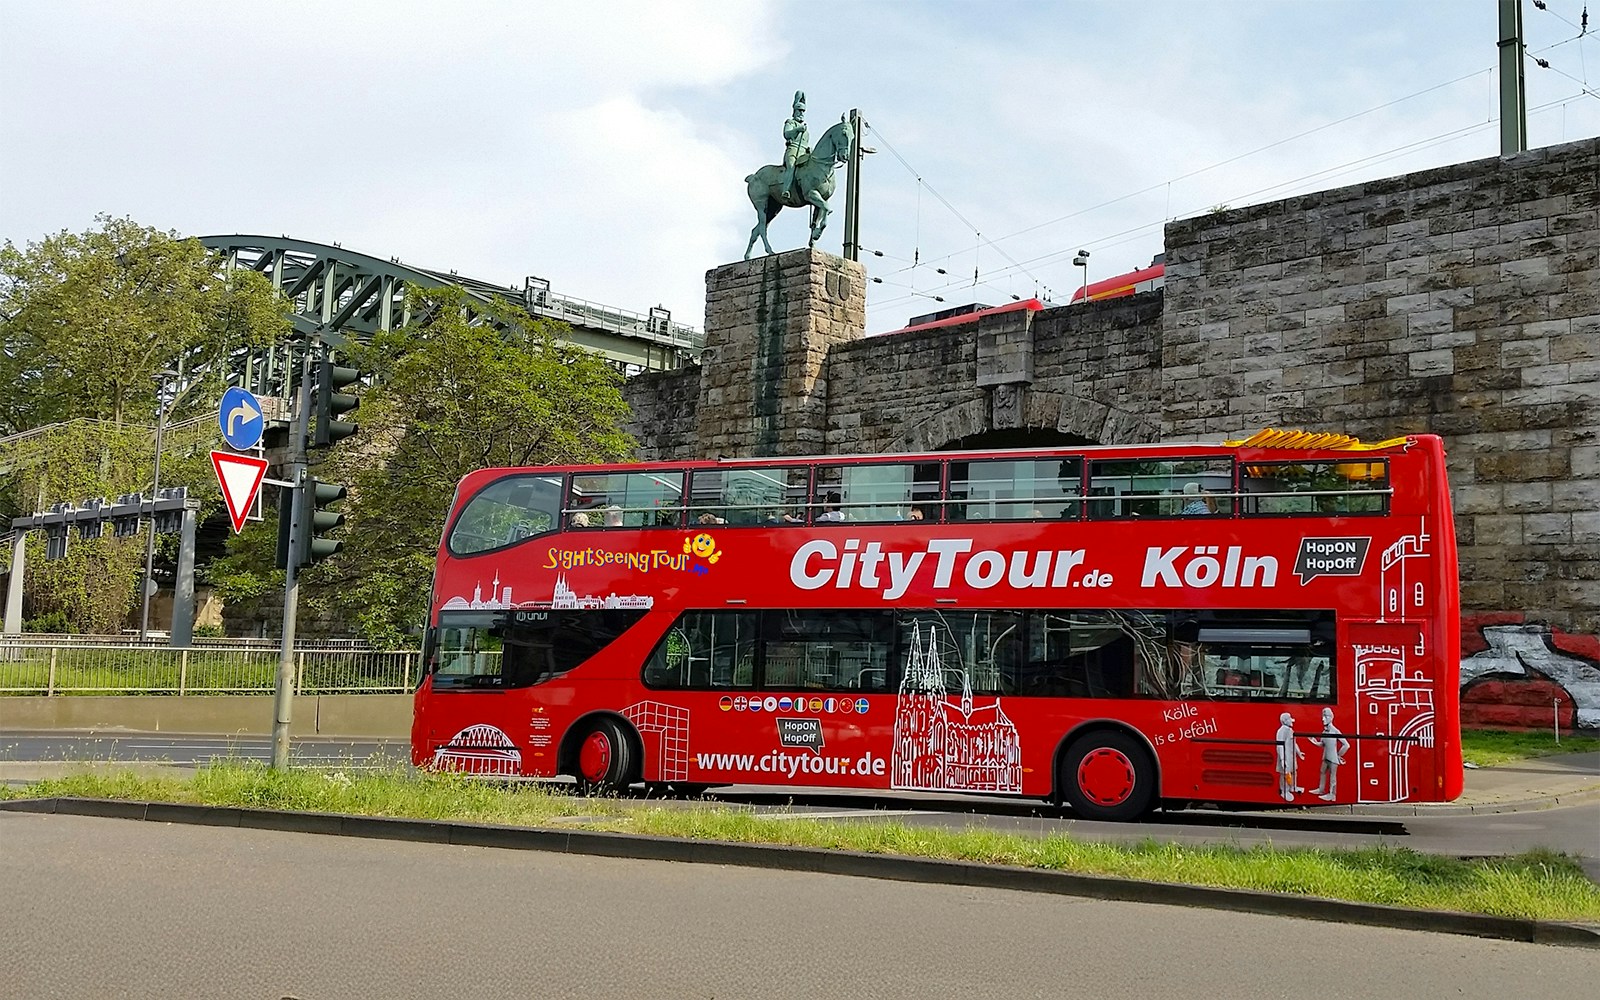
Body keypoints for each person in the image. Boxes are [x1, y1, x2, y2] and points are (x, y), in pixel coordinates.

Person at [1310, 707, 1350, 801]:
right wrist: (1314, 742)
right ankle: (1321, 789)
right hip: (1326, 757)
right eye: (1323, 716)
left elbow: (1346, 745)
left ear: (1330, 718)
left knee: (1332, 777)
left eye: (1325, 716)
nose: (1323, 719)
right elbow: (1322, 744)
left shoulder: (1335, 731)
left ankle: (1332, 795)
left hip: (1333, 758)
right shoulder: (1324, 731)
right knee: (1322, 772)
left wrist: (1338, 755)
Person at [779, 90, 809, 197]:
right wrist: (797, 129)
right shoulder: (790, 122)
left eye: (802, 111)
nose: (801, 113)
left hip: (803, 152)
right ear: (794, 111)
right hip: (793, 150)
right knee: (791, 166)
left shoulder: (804, 127)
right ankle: (785, 190)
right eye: (799, 111)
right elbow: (787, 134)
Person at [1275, 712, 1305, 802]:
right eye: (1289, 719)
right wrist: (1282, 759)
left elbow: (1294, 743)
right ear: (1285, 721)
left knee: (1293, 772)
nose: (1291, 721)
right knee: (1285, 774)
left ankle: (1293, 787)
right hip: (1285, 756)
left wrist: (1299, 753)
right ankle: (1284, 790)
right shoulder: (1281, 731)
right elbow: (1279, 746)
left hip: (1291, 756)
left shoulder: (1290, 730)